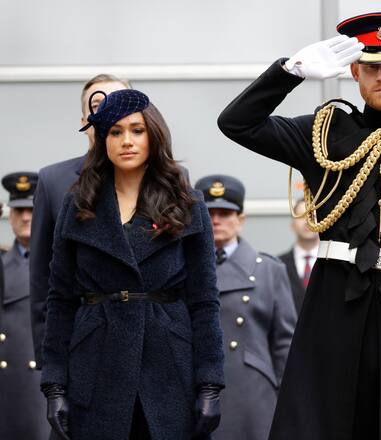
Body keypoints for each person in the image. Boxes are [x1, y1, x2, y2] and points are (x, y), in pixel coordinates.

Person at [218, 11, 381, 440]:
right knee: (320, 426)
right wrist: (290, 73)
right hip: (334, 307)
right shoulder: (325, 133)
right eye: (372, 66)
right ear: (354, 71)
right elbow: (237, 123)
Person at [40, 89, 224, 439]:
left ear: (154, 135)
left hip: (169, 365)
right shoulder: (78, 205)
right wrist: (55, 386)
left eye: (137, 130)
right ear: (102, 140)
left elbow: (204, 302)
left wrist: (210, 385)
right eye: (115, 131)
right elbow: (59, 300)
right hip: (94, 365)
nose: (127, 141)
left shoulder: (187, 204)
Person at [30, 74, 129, 369]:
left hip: (158, 346)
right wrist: (51, 371)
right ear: (84, 118)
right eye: (99, 105)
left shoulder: (169, 180)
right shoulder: (54, 181)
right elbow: (42, 282)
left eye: (120, 103)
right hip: (84, 347)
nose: (110, 112)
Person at [195, 174, 296, 440]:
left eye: (225, 213)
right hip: (197, 390)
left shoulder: (269, 270)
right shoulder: (181, 269)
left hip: (251, 393)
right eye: (209, 213)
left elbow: (284, 343)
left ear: (241, 219)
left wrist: (288, 402)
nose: (216, 220)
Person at [0, 172, 51, 439]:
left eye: (32, 209)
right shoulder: (3, 264)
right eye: (19, 210)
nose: (26, 217)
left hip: (42, 388)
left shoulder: (60, 264)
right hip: (9, 389)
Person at [278, 198, 319, 314]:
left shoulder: (334, 264)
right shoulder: (277, 265)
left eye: (312, 217)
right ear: (292, 225)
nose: (307, 221)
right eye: (301, 216)